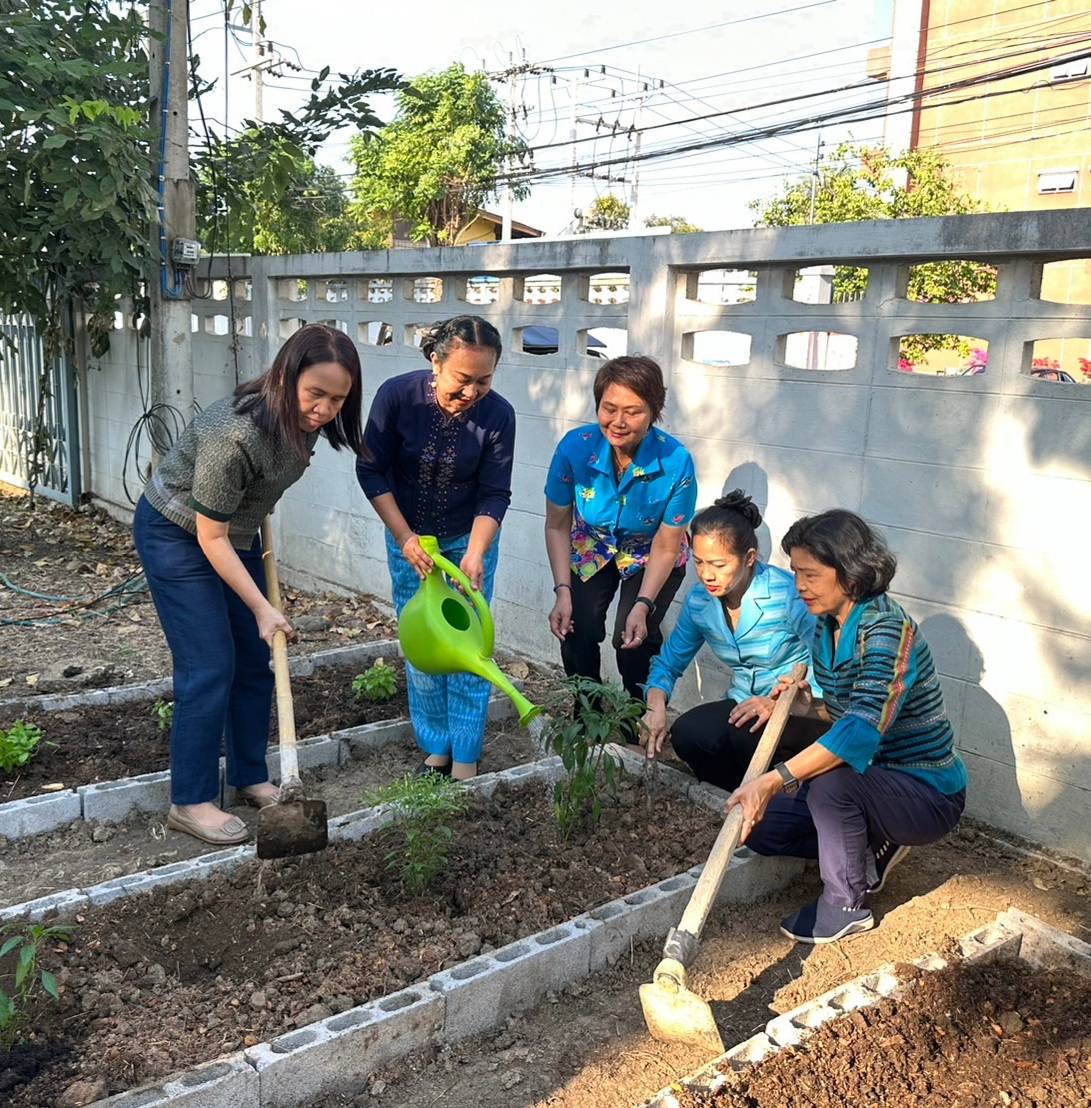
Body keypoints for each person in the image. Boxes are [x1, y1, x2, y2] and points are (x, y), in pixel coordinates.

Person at [133, 323, 366, 845]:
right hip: (177, 533)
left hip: (232, 535)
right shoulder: (233, 433)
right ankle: (190, 801)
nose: (325, 409)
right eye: (316, 394)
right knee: (209, 664)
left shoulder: (302, 425)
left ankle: (247, 775)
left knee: (256, 660)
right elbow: (208, 535)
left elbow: (252, 497)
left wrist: (258, 582)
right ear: (287, 377)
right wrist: (261, 605)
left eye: (338, 399)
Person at [727, 510, 967, 944]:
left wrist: (775, 779)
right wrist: (806, 704)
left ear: (851, 573)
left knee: (828, 789)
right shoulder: (827, 625)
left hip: (925, 791)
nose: (800, 585)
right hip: (872, 777)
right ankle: (872, 845)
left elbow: (859, 730)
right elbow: (843, 712)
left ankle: (845, 905)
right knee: (765, 828)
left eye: (811, 575)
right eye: (796, 572)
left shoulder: (888, 631)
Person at [356, 315, 514, 781]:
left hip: (470, 537)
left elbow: (494, 493)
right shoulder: (397, 397)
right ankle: (436, 749)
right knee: (422, 642)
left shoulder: (498, 415)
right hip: (411, 539)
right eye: (463, 380)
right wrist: (404, 537)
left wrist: (476, 553)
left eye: (484, 381)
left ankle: (465, 756)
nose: (472, 392)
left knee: (469, 645)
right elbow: (371, 471)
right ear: (435, 361)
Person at [640, 491, 823, 787]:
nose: (706, 575)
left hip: (801, 711)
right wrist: (655, 703)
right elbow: (669, 662)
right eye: (699, 563)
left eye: (718, 564)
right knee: (688, 734)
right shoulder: (700, 601)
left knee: (745, 732)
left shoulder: (787, 594)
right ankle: (734, 797)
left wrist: (782, 700)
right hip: (743, 704)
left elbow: (831, 661)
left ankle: (786, 801)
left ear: (749, 558)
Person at [544, 356, 696, 702]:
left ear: (655, 410)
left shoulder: (676, 462)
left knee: (631, 637)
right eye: (608, 408)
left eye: (634, 411)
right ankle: (587, 716)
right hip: (592, 545)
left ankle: (637, 721)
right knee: (576, 627)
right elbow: (556, 525)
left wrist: (643, 605)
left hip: (650, 553)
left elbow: (667, 545)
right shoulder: (574, 448)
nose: (618, 422)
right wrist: (562, 590)